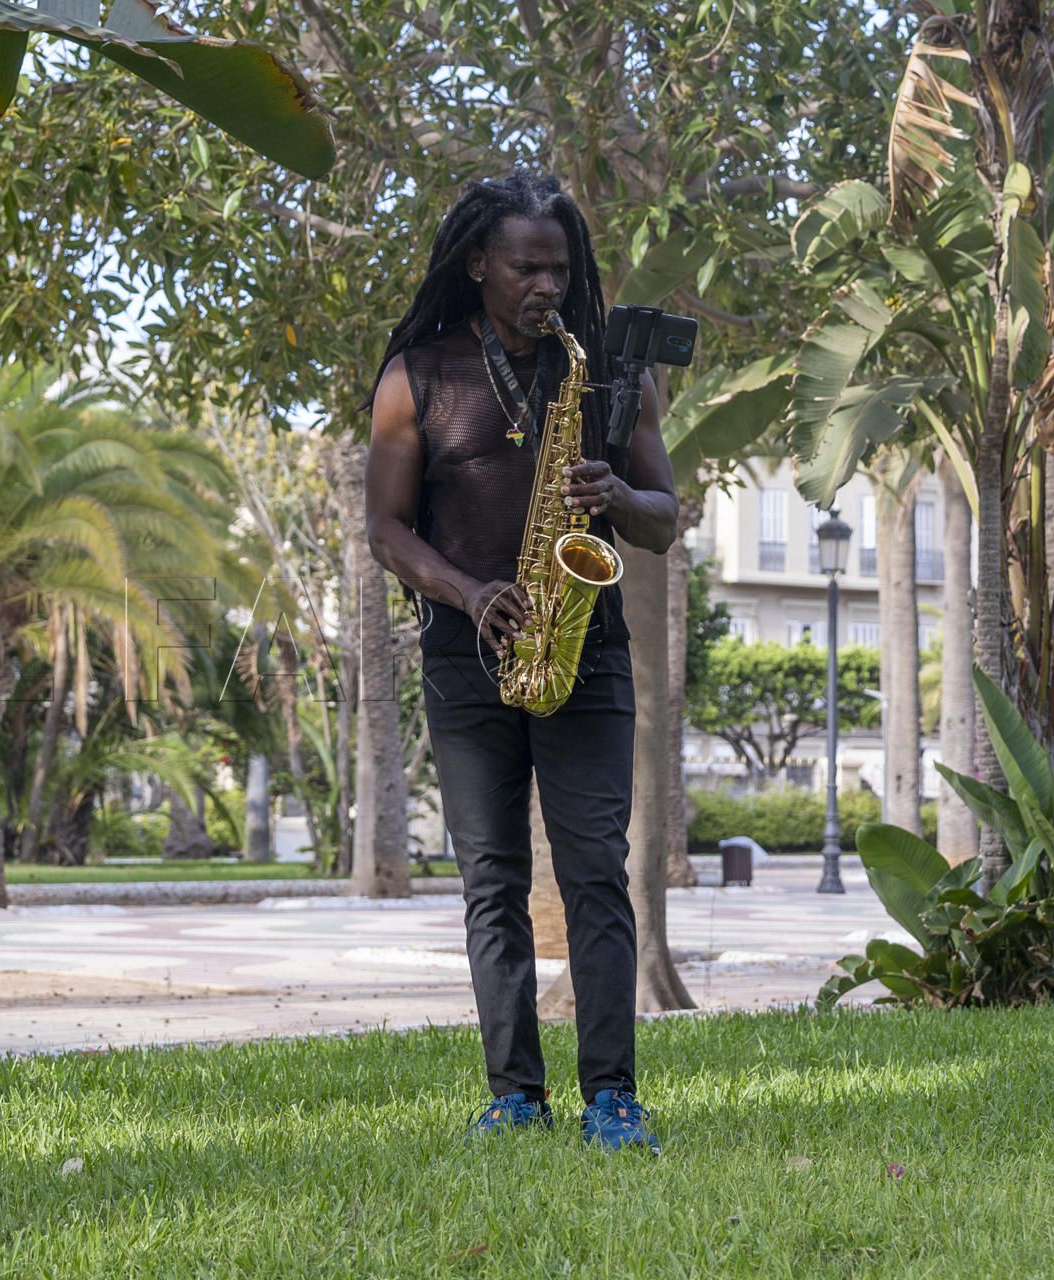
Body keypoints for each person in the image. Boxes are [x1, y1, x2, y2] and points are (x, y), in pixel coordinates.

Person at [362, 170, 677, 1151]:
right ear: (477, 264)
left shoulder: (612, 371)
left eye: (560, 269)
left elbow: (665, 518)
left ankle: (612, 1096)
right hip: (468, 653)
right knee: (491, 879)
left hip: (587, 649)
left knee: (595, 873)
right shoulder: (418, 374)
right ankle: (515, 1094)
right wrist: (468, 592)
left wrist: (616, 496)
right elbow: (384, 529)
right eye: (526, 268)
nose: (548, 286)